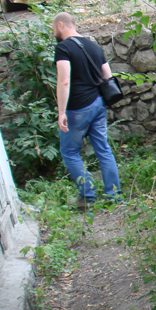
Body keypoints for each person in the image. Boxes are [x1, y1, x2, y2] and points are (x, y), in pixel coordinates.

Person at [53, 12, 122, 207]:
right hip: (98, 103)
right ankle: (114, 195)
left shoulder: (63, 48)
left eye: (54, 28)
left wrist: (61, 112)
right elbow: (107, 75)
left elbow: (64, 80)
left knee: (69, 152)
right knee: (103, 149)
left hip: (77, 107)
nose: (54, 32)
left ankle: (88, 196)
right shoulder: (93, 46)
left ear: (60, 25)